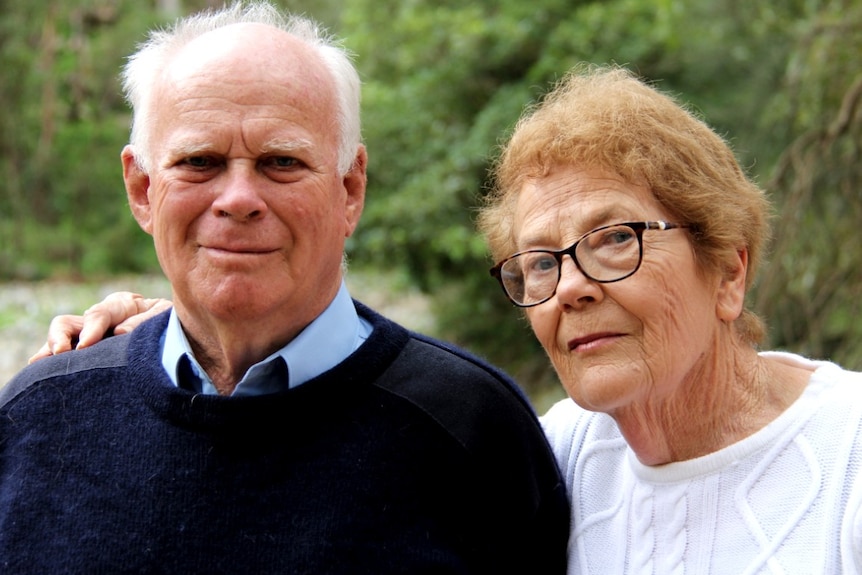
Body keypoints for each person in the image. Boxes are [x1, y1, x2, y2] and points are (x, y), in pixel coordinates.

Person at [0, 2, 569, 573]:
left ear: (349, 189)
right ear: (143, 189)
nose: (239, 199)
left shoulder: (471, 429)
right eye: (200, 161)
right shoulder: (39, 418)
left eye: (280, 161)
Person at [478, 65, 862, 572]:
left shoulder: (847, 457)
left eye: (616, 238)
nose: (569, 288)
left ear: (727, 272)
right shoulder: (553, 459)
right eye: (542, 262)